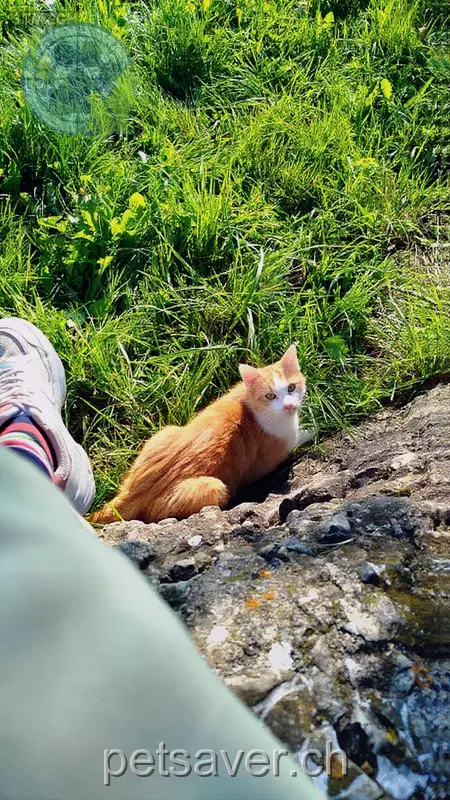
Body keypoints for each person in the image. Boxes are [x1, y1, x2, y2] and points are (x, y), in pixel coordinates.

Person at [0, 317, 325, 800]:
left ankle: (28, 459)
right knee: (211, 488)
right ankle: (35, 461)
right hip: (181, 494)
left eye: (292, 390)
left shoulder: (258, 400)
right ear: (252, 391)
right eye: (274, 397)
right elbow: (264, 462)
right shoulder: (268, 426)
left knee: (174, 436)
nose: (288, 402)